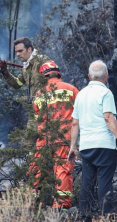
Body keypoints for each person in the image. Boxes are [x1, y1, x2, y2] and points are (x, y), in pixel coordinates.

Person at [67, 60, 117, 222]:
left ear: (89, 76)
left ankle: (85, 221)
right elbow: (108, 117)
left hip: (87, 147)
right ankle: (108, 219)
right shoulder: (106, 93)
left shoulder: (81, 94)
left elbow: (75, 123)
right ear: (106, 76)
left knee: (87, 184)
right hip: (104, 145)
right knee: (104, 182)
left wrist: (73, 147)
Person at [29, 61, 79, 210]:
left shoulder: (38, 94)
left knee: (37, 172)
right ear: (58, 73)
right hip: (64, 139)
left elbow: (38, 119)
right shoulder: (71, 89)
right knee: (63, 171)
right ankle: (61, 207)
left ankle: (30, 205)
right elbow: (79, 114)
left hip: (44, 139)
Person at [0, 38, 50, 149]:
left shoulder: (42, 60)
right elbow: (17, 84)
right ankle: (34, 165)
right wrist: (5, 73)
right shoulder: (25, 68)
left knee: (48, 141)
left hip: (47, 109)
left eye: (20, 51)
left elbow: (54, 81)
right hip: (34, 111)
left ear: (29, 49)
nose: (18, 54)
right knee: (28, 144)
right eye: (16, 52)